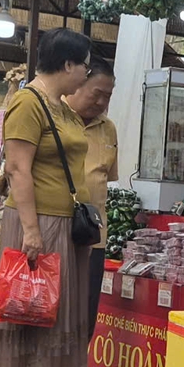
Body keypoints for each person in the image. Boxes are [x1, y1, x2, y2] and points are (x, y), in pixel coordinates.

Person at [0, 28, 94, 367]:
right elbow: (17, 168)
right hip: (38, 221)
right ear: (68, 64)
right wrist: (31, 230)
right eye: (83, 64)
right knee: (28, 305)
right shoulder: (27, 104)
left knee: (60, 308)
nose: (86, 73)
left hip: (67, 223)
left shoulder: (62, 106)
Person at [63, 57, 117, 338]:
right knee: (50, 310)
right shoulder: (55, 117)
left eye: (108, 97)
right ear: (77, 84)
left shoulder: (108, 128)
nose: (101, 102)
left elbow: (106, 177)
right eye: (97, 94)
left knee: (84, 318)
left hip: (93, 236)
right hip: (56, 231)